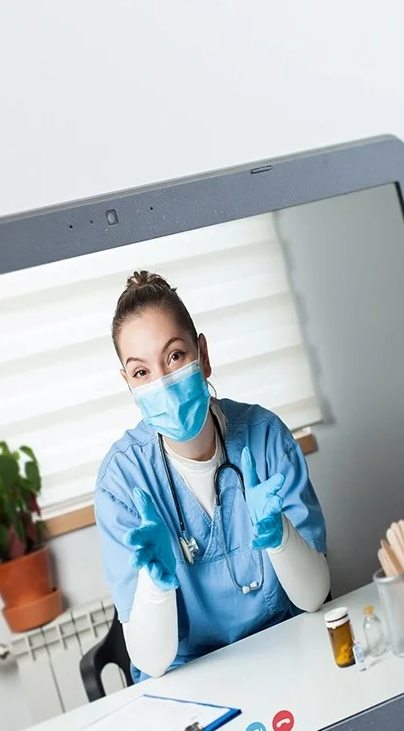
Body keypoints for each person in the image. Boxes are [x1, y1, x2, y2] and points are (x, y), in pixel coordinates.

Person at [95, 271, 329, 677]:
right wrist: (156, 584)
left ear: (202, 355)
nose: (163, 383)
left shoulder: (265, 437)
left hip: (286, 655)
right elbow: (151, 662)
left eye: (174, 356)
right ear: (128, 384)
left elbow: (314, 596)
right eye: (141, 372)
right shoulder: (122, 483)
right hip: (192, 683)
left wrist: (280, 536)